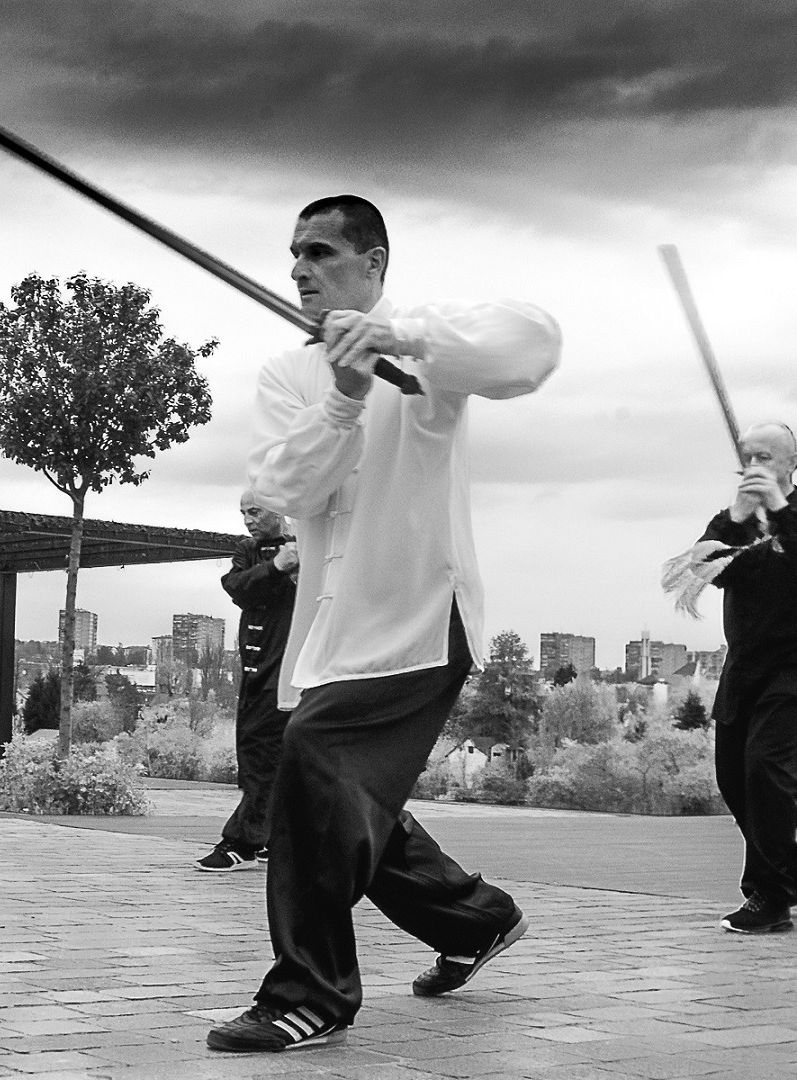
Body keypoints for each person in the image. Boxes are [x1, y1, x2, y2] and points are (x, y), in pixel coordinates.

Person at [206, 195, 561, 1053]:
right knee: (337, 792)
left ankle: (312, 993)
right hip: (330, 633)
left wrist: (399, 339)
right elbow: (285, 489)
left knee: (318, 765)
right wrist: (344, 396)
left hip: (421, 616)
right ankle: (475, 920)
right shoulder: (288, 373)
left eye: (321, 252)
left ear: (373, 263)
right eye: (294, 254)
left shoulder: (430, 341)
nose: (300, 269)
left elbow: (533, 346)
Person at [698, 421, 797, 934]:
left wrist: (781, 511)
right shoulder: (732, 523)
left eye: (766, 457)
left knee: (765, 768)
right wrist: (737, 518)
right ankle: (794, 874)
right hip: (744, 666)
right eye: (748, 458)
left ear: (793, 463)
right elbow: (703, 568)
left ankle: (768, 896)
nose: (755, 466)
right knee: (733, 777)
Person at [195, 491, 298, 872]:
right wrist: (277, 567)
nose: (247, 520)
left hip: (289, 668)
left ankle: (243, 843)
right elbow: (237, 588)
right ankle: (272, 838)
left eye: (254, 511)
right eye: (243, 512)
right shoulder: (248, 550)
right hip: (257, 670)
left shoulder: (308, 546)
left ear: (278, 507)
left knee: (262, 755)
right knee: (263, 755)